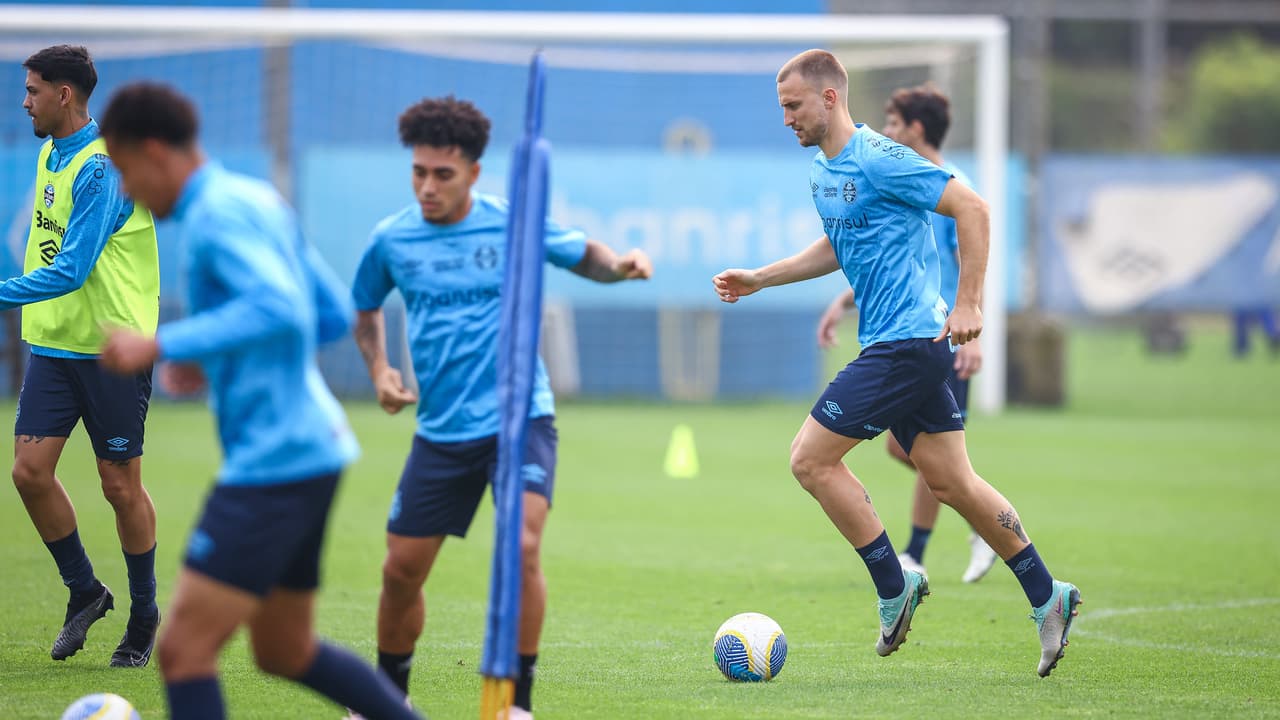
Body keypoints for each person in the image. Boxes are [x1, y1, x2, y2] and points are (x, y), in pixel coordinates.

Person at [713, 49, 1081, 677]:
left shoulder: (881, 158)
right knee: (952, 484)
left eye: (793, 106)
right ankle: (1049, 596)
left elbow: (975, 209)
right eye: (782, 108)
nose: (787, 119)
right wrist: (761, 278)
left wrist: (969, 303)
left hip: (908, 344)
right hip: (899, 345)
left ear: (829, 98)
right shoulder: (822, 172)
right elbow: (838, 242)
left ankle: (893, 583)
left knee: (809, 458)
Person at [96, 82, 422, 720]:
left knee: (185, 647)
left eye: (126, 171)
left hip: (273, 464)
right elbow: (325, 314)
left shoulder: (214, 218)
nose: (126, 191)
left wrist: (165, 343)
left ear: (156, 153)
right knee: (283, 648)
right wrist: (215, 357)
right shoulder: (254, 198)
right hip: (313, 449)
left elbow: (281, 307)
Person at [351, 96, 651, 718]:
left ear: (474, 174)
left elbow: (583, 254)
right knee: (400, 570)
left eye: (443, 175)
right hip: (441, 430)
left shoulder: (511, 223)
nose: (427, 187)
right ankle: (386, 696)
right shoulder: (392, 239)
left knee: (523, 549)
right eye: (418, 173)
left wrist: (620, 266)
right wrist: (380, 370)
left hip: (521, 420)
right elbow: (365, 307)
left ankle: (516, 704)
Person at [8, 44, 160, 667]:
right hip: (54, 345)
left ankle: (145, 615)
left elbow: (71, 268)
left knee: (119, 487)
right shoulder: (52, 151)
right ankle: (85, 591)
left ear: (64, 95)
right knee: (28, 473)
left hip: (110, 350)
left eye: (33, 90)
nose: (25, 102)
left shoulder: (104, 169)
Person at [816, 84, 998, 584]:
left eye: (895, 124)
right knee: (912, 453)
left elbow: (959, 254)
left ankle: (925, 548)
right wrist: (844, 299)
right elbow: (890, 254)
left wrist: (973, 327)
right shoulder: (895, 178)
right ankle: (977, 515)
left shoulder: (944, 182)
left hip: (936, 334)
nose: (887, 132)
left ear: (915, 129)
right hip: (912, 329)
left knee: (938, 467)